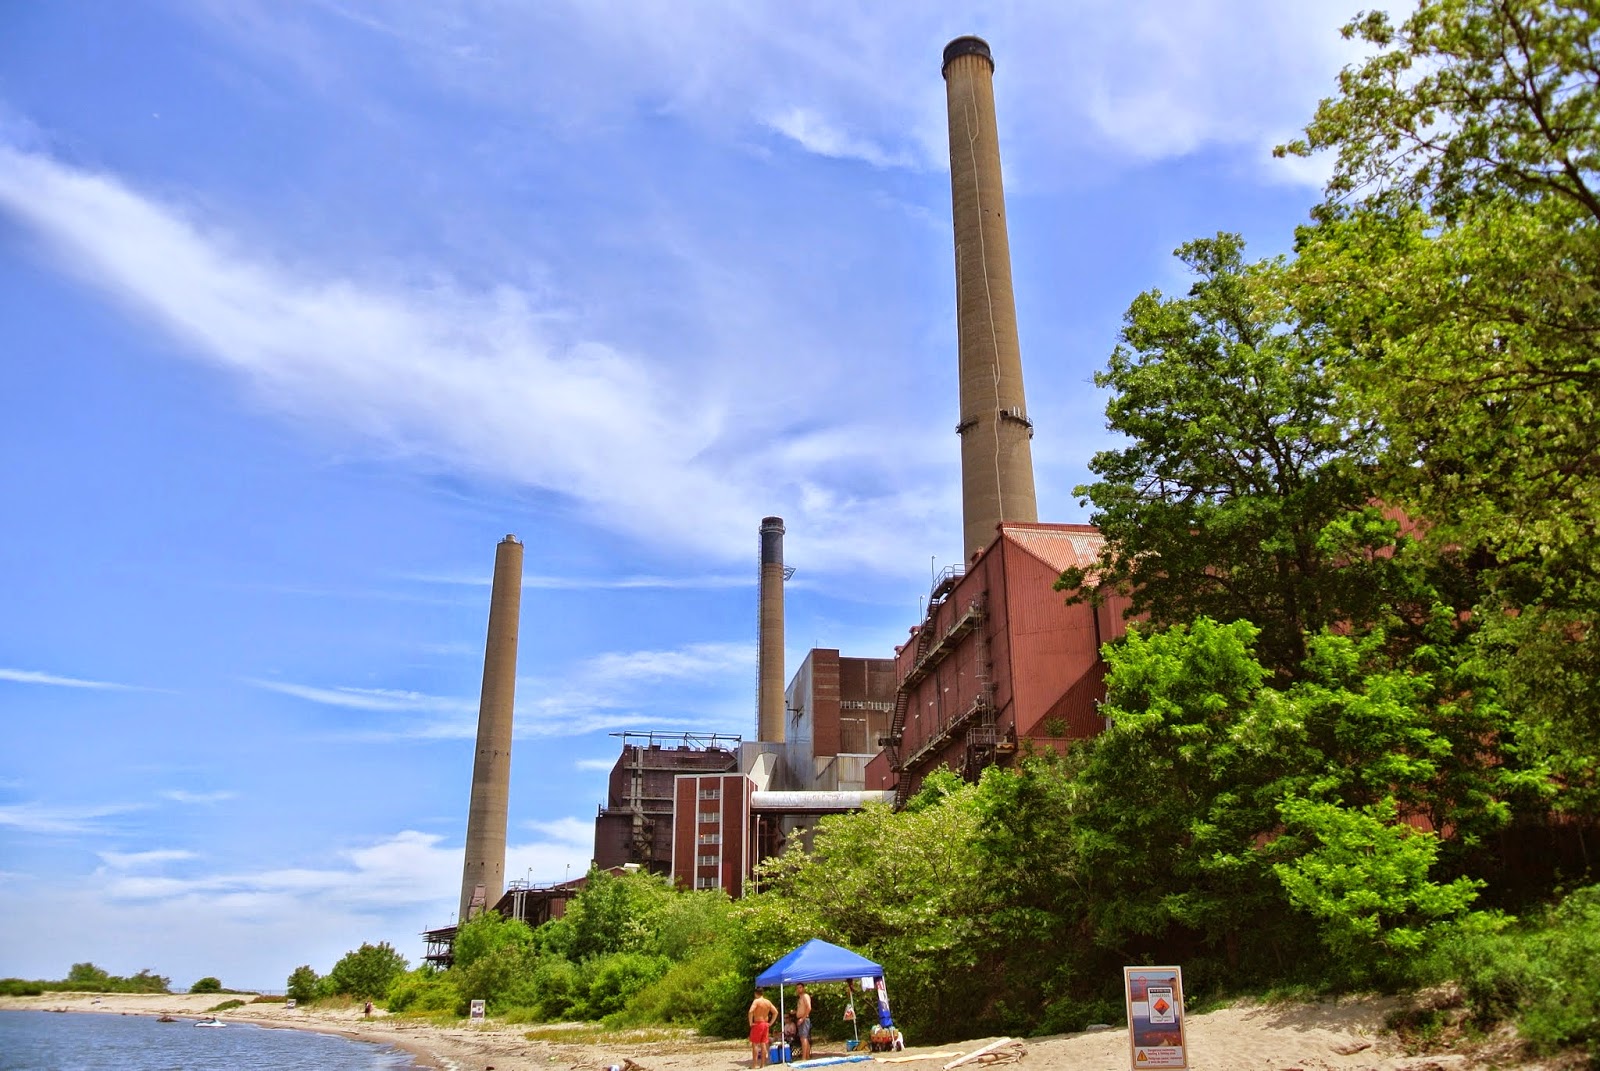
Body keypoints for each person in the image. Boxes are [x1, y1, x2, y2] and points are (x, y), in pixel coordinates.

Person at [748, 986, 778, 1068]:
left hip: (758, 1023)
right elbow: (775, 1012)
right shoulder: (767, 1002)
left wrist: (750, 1022)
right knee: (763, 1043)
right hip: (765, 1023)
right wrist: (771, 1023)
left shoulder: (756, 1001)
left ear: (755, 993)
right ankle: (762, 1064)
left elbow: (750, 1011)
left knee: (755, 1044)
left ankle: (754, 1065)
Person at [794, 981, 813, 1061]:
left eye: (800, 988)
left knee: (803, 1038)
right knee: (803, 1038)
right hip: (800, 1018)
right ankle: (807, 1056)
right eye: (797, 988)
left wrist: (803, 1018)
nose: (799, 989)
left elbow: (809, 1007)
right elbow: (802, 1008)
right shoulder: (800, 998)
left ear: (803, 988)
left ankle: (804, 1057)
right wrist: (795, 1012)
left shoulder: (805, 996)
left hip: (804, 1019)